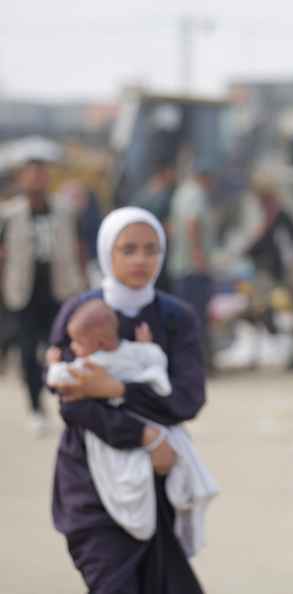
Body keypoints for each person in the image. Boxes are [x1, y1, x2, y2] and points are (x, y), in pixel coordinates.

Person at [49, 207, 206, 593]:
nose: (141, 259)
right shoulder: (81, 313)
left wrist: (115, 389)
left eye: (151, 249)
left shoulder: (176, 317)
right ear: (107, 252)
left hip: (158, 482)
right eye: (129, 249)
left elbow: (187, 399)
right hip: (90, 482)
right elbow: (75, 404)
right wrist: (146, 435)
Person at [0, 156, 85, 433]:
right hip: (23, 292)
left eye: (41, 174)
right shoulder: (10, 214)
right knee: (27, 352)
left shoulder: (65, 211)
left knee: (61, 348)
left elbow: (79, 247)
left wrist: (81, 285)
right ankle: (35, 406)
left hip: (59, 290)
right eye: (30, 174)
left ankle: (66, 401)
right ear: (22, 179)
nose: (36, 179)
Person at [244, 172, 293, 367]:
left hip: (288, 270)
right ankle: (257, 353)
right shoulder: (264, 217)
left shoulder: (279, 216)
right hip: (270, 271)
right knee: (257, 308)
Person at [168, 163, 216, 369]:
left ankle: (187, 362)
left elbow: (171, 226)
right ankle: (197, 364)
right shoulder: (196, 194)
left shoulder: (180, 193)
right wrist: (198, 255)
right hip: (193, 268)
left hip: (180, 266)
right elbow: (192, 222)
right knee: (197, 318)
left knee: (185, 317)